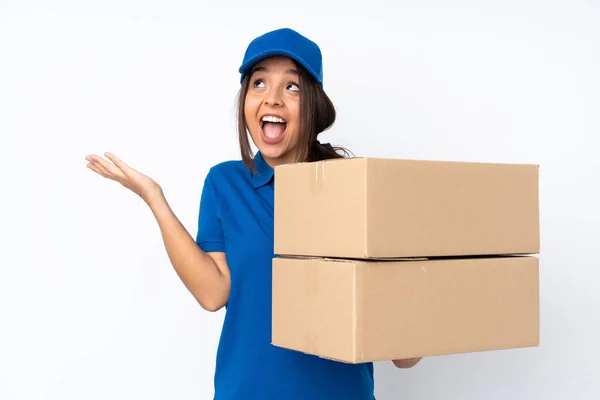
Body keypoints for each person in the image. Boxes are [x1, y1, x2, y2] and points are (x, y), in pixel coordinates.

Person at [85, 27, 421, 400]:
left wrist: (416, 269)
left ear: (313, 103)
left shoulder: (354, 187)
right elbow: (214, 294)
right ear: (244, 100)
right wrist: (155, 199)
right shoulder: (224, 184)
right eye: (259, 83)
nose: (272, 99)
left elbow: (405, 357)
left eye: (291, 87)